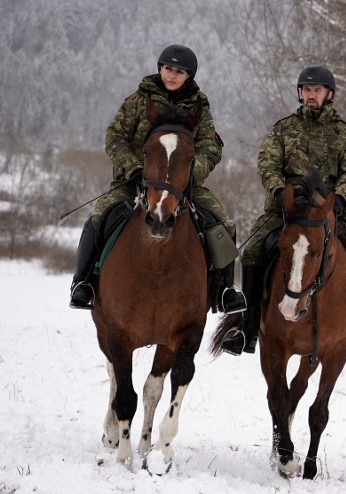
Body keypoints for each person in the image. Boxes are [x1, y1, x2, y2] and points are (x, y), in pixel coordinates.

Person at [221, 65, 346, 356]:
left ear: (329, 94)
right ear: (300, 93)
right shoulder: (284, 128)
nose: (311, 95)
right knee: (251, 251)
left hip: (332, 209)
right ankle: (246, 329)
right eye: (307, 90)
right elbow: (268, 163)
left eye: (317, 90)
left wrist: (339, 199)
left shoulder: (343, 133)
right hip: (286, 209)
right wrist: (278, 191)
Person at [69, 44, 245, 314]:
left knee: (224, 223)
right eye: (168, 69)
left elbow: (212, 147)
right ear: (160, 68)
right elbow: (114, 137)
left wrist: (189, 174)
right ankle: (82, 283)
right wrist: (134, 168)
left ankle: (224, 290)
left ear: (189, 76)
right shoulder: (139, 100)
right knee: (99, 215)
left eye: (179, 71)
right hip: (136, 181)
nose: (172, 75)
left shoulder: (199, 107)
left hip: (181, 184)